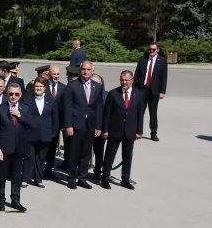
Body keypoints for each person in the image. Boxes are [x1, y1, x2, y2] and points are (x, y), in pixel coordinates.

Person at [0, 83, 34, 212]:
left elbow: (32, 124)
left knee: (16, 177)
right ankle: (1, 199)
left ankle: (15, 200)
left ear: (20, 95)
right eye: (11, 94)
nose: (13, 96)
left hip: (19, 148)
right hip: (4, 149)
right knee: (2, 176)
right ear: (7, 94)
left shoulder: (25, 108)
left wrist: (19, 115)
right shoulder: (0, 109)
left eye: (16, 94)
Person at [62, 61, 103, 189]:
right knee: (74, 152)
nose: (85, 71)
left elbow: (99, 107)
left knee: (86, 153)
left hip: (90, 125)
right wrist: (68, 125)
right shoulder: (72, 85)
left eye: (88, 69)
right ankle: (71, 178)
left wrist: (98, 126)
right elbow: (67, 107)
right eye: (83, 69)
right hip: (75, 125)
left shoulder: (97, 86)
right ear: (80, 70)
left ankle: (82, 178)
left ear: (92, 71)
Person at [101, 70, 144, 190]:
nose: (124, 82)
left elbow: (140, 114)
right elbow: (107, 114)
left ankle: (125, 179)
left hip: (130, 131)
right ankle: (105, 178)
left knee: (127, 156)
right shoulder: (113, 93)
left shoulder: (138, 94)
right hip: (114, 130)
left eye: (126, 80)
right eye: (122, 80)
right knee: (110, 155)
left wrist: (139, 131)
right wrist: (105, 130)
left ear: (132, 80)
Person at [20, 78, 57, 188]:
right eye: (36, 86)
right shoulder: (27, 100)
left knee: (41, 158)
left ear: (45, 88)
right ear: (33, 88)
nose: (38, 88)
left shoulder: (51, 100)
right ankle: (25, 179)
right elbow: (23, 115)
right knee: (29, 157)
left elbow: (55, 117)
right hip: (30, 133)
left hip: (45, 133)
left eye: (41, 86)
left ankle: (38, 179)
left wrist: (54, 131)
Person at [133, 43, 167, 141]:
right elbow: (136, 75)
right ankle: (137, 132)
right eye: (150, 49)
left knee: (153, 113)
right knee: (140, 112)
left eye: (153, 49)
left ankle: (153, 133)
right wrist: (133, 89)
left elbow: (164, 77)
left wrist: (162, 91)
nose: (151, 51)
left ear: (157, 50)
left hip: (154, 91)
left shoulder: (162, 61)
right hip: (142, 90)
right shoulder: (142, 59)